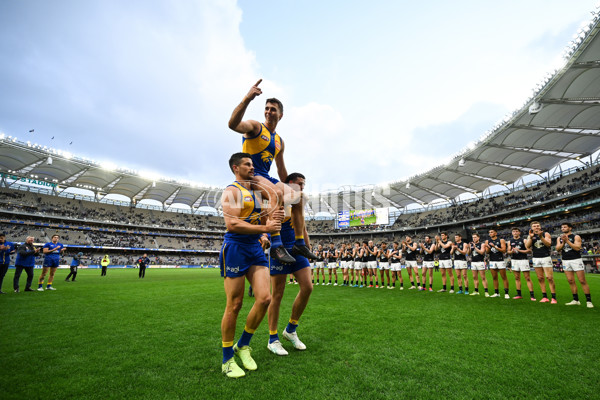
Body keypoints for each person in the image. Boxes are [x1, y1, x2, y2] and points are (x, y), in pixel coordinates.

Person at [228, 79, 315, 264]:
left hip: (266, 176)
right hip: (251, 175)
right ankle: (276, 244)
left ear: (280, 115)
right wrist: (247, 99)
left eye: (273, 109)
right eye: (266, 108)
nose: (268, 111)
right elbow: (232, 124)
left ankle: (299, 243)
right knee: (275, 193)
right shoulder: (255, 127)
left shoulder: (279, 141)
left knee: (301, 197)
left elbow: (281, 169)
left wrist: (292, 189)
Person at [219, 152, 282, 378]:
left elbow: (256, 220)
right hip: (235, 248)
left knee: (265, 298)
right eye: (247, 164)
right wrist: (264, 229)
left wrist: (263, 233)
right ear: (236, 168)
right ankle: (227, 359)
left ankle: (243, 345)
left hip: (254, 248)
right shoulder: (232, 191)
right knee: (234, 304)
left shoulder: (255, 194)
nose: (251, 167)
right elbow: (232, 224)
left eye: (252, 164)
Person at [267, 172, 313, 356]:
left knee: (308, 287)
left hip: (296, 248)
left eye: (304, 184)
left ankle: (291, 330)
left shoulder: (298, 201)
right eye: (300, 184)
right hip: (280, 250)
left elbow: (302, 226)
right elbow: (268, 221)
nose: (302, 188)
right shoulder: (277, 198)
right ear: (289, 184)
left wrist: (308, 247)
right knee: (277, 294)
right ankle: (273, 339)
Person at [556, 223, 593, 308]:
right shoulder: (559, 238)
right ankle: (576, 300)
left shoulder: (576, 236)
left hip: (576, 260)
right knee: (570, 280)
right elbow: (558, 249)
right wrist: (563, 242)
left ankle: (589, 301)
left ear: (570, 228)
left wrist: (567, 241)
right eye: (562, 227)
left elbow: (577, 248)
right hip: (565, 260)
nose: (563, 228)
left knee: (582, 280)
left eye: (565, 227)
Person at [524, 221, 556, 304]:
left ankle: (553, 297)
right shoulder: (530, 235)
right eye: (534, 226)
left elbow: (549, 244)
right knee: (540, 278)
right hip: (536, 258)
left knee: (549, 278)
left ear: (540, 226)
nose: (536, 227)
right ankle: (544, 296)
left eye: (538, 226)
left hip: (545, 257)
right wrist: (531, 238)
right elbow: (527, 246)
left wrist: (541, 237)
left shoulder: (546, 234)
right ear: (532, 228)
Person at [508, 228, 535, 301]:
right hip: (514, 260)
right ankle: (519, 294)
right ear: (512, 233)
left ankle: (532, 295)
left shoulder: (524, 240)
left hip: (523, 260)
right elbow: (508, 252)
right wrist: (512, 252)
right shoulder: (510, 241)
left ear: (519, 233)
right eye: (513, 231)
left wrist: (519, 250)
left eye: (517, 231)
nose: (515, 233)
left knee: (527, 278)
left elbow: (529, 251)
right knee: (517, 278)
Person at [486, 229, 509, 299]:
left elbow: (504, 250)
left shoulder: (501, 240)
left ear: (495, 233)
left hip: (500, 260)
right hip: (492, 261)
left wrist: (495, 246)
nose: (490, 233)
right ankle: (496, 293)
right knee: (494, 277)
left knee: (503, 277)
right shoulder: (487, 241)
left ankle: (506, 293)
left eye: (492, 232)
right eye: (489, 232)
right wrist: (489, 248)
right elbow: (487, 252)